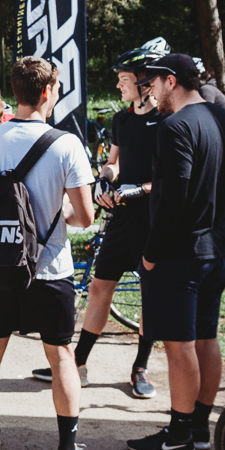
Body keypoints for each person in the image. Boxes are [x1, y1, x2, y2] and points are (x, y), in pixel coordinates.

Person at [0, 57, 96, 450]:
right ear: (47, 92)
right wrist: (54, 215)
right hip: (50, 268)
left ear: (14, 93)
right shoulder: (66, 144)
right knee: (61, 356)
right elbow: (85, 216)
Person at [125, 52, 225, 450]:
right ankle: (198, 428)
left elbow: (171, 197)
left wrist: (151, 253)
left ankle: (178, 435)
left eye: (153, 83)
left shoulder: (175, 126)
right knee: (206, 338)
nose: (150, 91)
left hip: (181, 254)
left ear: (171, 81)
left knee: (179, 346)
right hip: (218, 248)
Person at [35, 41, 165, 397]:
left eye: (124, 79)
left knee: (150, 296)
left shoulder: (166, 122)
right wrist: (104, 181)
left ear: (144, 81)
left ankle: (140, 368)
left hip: (152, 220)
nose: (119, 85)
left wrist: (139, 190)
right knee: (98, 289)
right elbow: (114, 163)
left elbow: (171, 178)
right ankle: (78, 363)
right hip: (121, 218)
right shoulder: (123, 119)